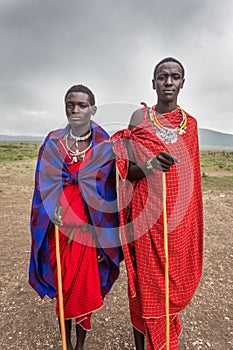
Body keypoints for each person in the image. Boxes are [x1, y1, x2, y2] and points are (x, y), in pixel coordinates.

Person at [110, 57, 204, 349]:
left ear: (182, 83)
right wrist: (150, 165)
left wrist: (189, 223)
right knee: (143, 286)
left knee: (171, 288)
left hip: (177, 223)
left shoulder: (191, 126)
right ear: (153, 83)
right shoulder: (140, 119)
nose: (168, 82)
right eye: (162, 76)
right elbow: (129, 171)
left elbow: (191, 185)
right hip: (146, 217)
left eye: (175, 77)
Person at [29, 84, 122, 350]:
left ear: (93, 109)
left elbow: (108, 192)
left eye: (82, 105)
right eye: (70, 104)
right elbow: (43, 182)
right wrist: (50, 207)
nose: (75, 109)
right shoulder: (54, 141)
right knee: (64, 283)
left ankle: (80, 345)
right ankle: (66, 343)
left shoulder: (104, 143)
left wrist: (102, 235)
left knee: (82, 285)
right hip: (58, 227)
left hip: (88, 229)